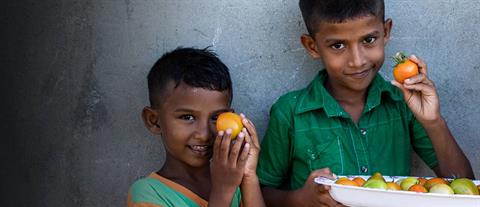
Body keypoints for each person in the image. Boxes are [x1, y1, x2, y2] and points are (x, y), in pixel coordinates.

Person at [257, 0, 475, 206]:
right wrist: (302, 200)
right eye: (338, 45)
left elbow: (464, 187)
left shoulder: (402, 102)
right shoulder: (290, 113)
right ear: (312, 46)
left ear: (386, 32)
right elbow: (260, 191)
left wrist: (433, 122)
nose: (357, 60)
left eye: (369, 40)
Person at [127, 47, 265, 207]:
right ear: (154, 121)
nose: (204, 134)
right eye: (187, 117)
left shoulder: (234, 178)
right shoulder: (147, 194)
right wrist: (223, 191)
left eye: (215, 117)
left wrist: (248, 176)